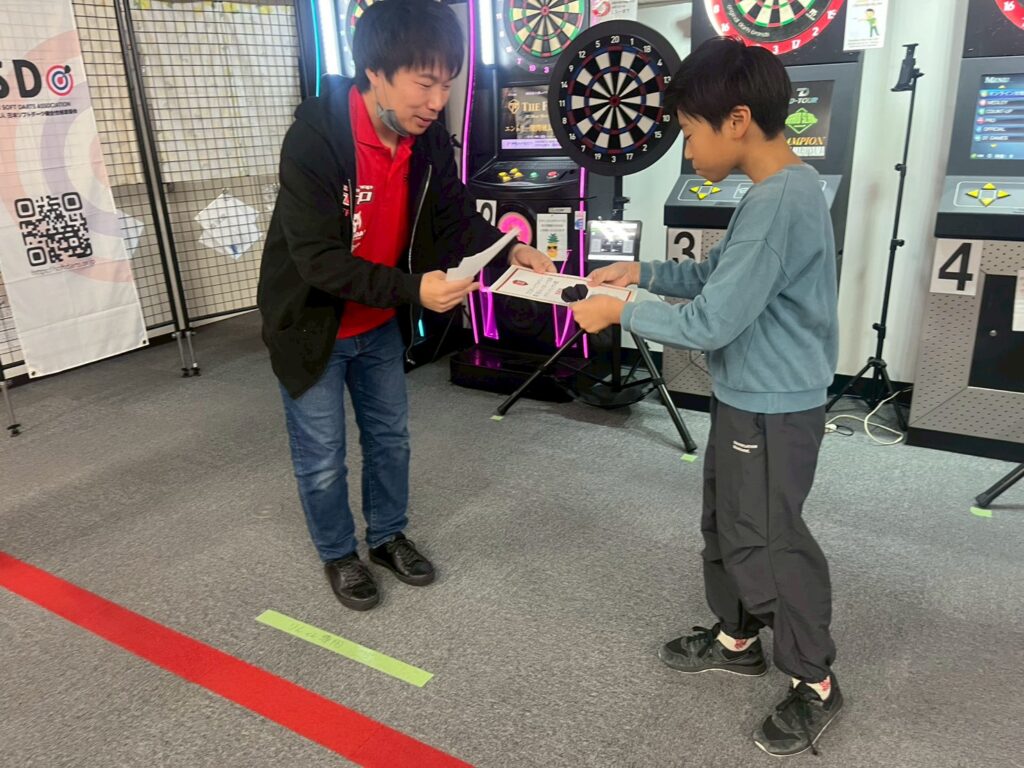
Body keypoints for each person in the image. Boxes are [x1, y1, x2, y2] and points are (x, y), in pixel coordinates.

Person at [569, 37, 842, 757]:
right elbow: (717, 276)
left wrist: (620, 312)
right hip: (747, 393)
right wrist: (644, 273)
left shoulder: (781, 202)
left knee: (770, 540)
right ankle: (737, 638)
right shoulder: (774, 192)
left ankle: (814, 680)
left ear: (738, 120)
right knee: (725, 523)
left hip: (774, 406)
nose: (688, 151)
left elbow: (711, 322)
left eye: (690, 133)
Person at [257, 0, 553, 611]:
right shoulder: (315, 139)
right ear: (376, 71)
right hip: (311, 325)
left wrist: (508, 249)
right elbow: (317, 260)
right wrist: (414, 289)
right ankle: (339, 553)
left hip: (380, 323)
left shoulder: (426, 139)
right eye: (424, 83)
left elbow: (454, 216)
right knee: (322, 457)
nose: (437, 101)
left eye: (446, 84)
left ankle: (387, 536)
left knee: (391, 440)